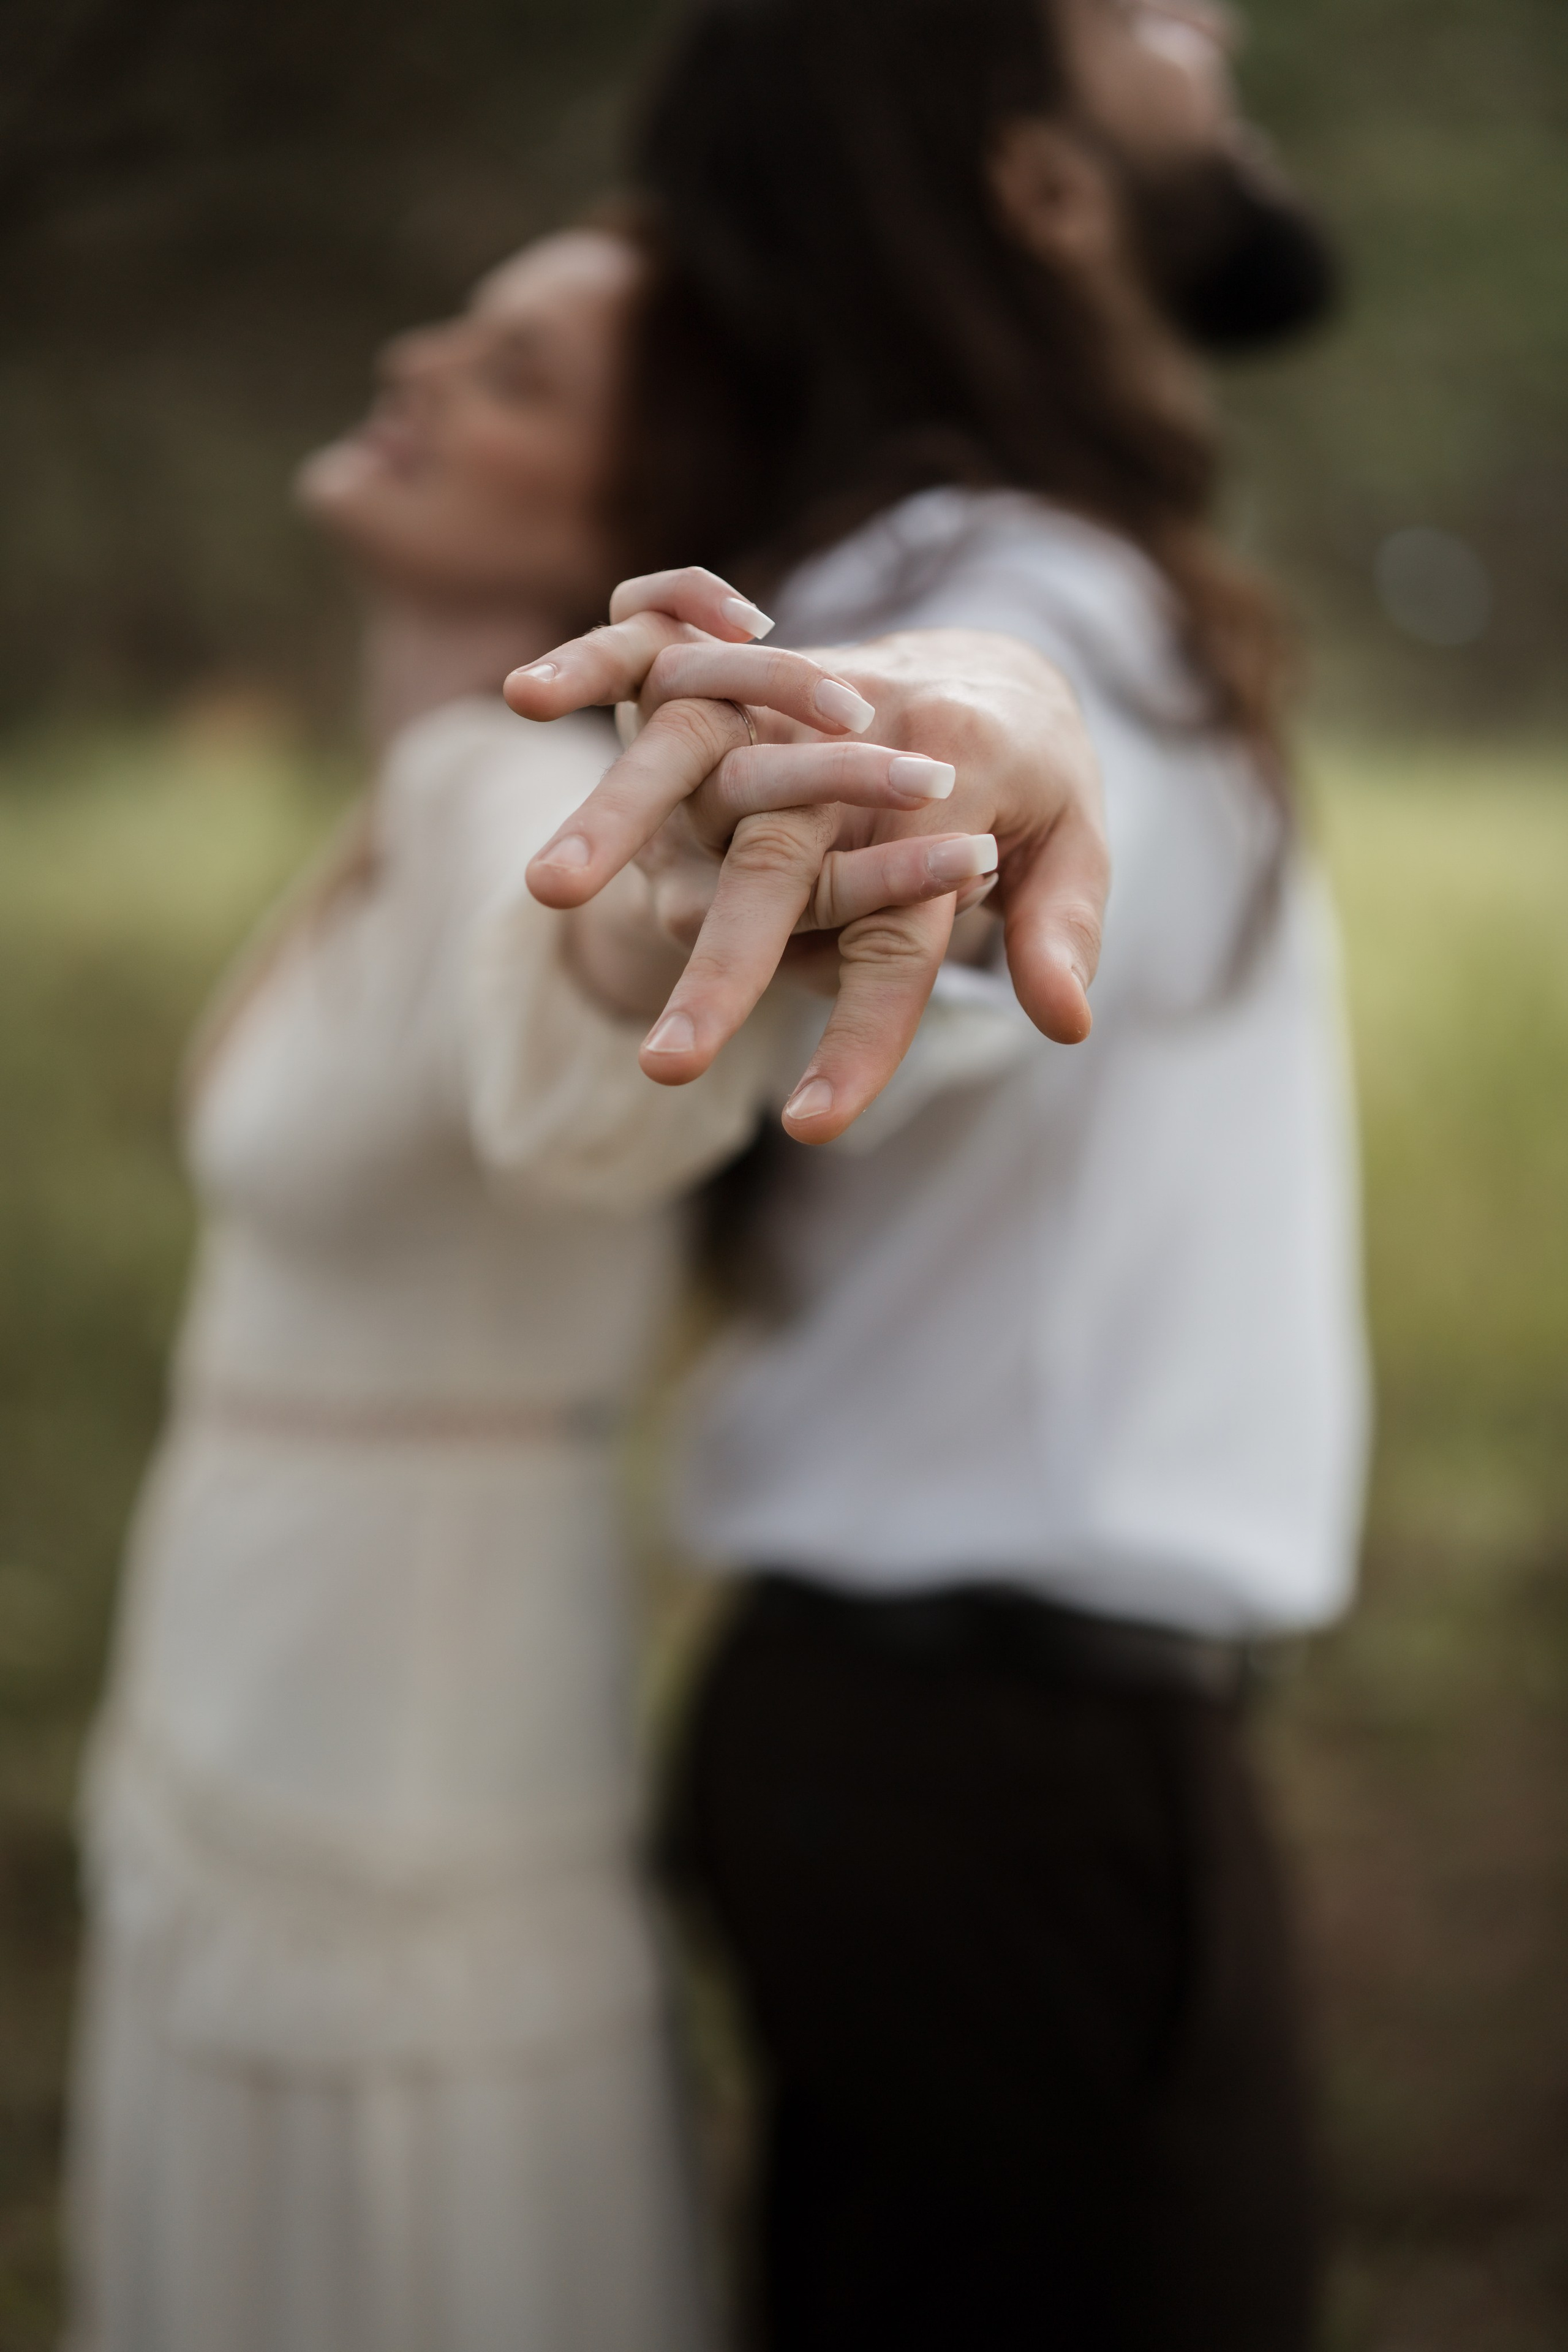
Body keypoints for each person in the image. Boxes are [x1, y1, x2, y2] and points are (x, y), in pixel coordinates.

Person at [64, 215, 1107, 2346]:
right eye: (459, 320)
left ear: (641, 522)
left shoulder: (511, 797)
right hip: (249, 1697)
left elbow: (597, 1001)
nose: (422, 358)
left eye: (520, 372)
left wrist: (727, 912)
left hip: (405, 1768)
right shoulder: (412, 793)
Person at [507, 2, 1370, 2346]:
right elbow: (970, 703)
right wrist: (946, 756)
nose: (1218, 16)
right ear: (1046, 187)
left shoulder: (982, 557)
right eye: (1144, 11)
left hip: (922, 1758)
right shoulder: (1014, 584)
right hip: (1015, 1785)